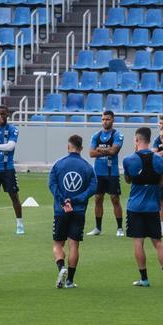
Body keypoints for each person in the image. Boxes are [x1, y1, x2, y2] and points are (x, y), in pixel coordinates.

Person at [122, 127, 163, 288]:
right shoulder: (159, 160)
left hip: (135, 207)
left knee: (138, 242)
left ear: (136, 139)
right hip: (153, 207)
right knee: (158, 242)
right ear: (149, 139)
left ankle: (144, 279)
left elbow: (127, 180)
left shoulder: (128, 160)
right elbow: (162, 182)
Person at [48, 134, 97, 289]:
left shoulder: (58, 164)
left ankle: (61, 266)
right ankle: (70, 280)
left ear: (68, 146)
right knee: (74, 245)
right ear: (81, 148)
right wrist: (75, 200)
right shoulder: (88, 167)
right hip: (79, 211)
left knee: (58, 244)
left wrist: (64, 200)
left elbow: (52, 185)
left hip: (61, 211)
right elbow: (93, 188)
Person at [0, 105, 25, 235]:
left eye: (3, 114)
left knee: (14, 196)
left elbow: (10, 146)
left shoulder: (13, 129)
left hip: (8, 168)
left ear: (8, 114)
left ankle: (20, 224)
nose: (0, 116)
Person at [87, 110, 125, 237]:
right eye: (103, 119)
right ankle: (98, 228)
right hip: (98, 173)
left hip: (112, 173)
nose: (105, 121)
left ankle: (120, 228)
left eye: (107, 119)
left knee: (115, 199)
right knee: (98, 199)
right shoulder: (96, 136)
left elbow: (114, 151)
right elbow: (91, 153)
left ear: (113, 120)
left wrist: (99, 149)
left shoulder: (117, 135)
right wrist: (106, 150)